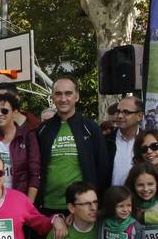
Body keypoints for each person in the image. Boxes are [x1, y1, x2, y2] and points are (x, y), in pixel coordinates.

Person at [35, 78, 110, 215]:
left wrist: (95, 202)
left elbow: (103, 167)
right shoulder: (42, 129)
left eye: (68, 93)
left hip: (82, 205)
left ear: (77, 96)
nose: (63, 99)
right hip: (48, 205)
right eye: (58, 94)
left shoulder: (90, 127)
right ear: (52, 97)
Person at [0, 91, 39, 201]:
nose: (0, 114)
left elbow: (35, 174)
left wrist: (28, 205)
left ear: (14, 112)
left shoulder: (27, 136)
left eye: (4, 111)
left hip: (18, 199)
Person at [106, 95, 144, 187]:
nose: (119, 116)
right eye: (118, 111)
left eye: (126, 112)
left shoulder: (147, 141)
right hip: (111, 198)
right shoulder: (106, 141)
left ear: (139, 116)